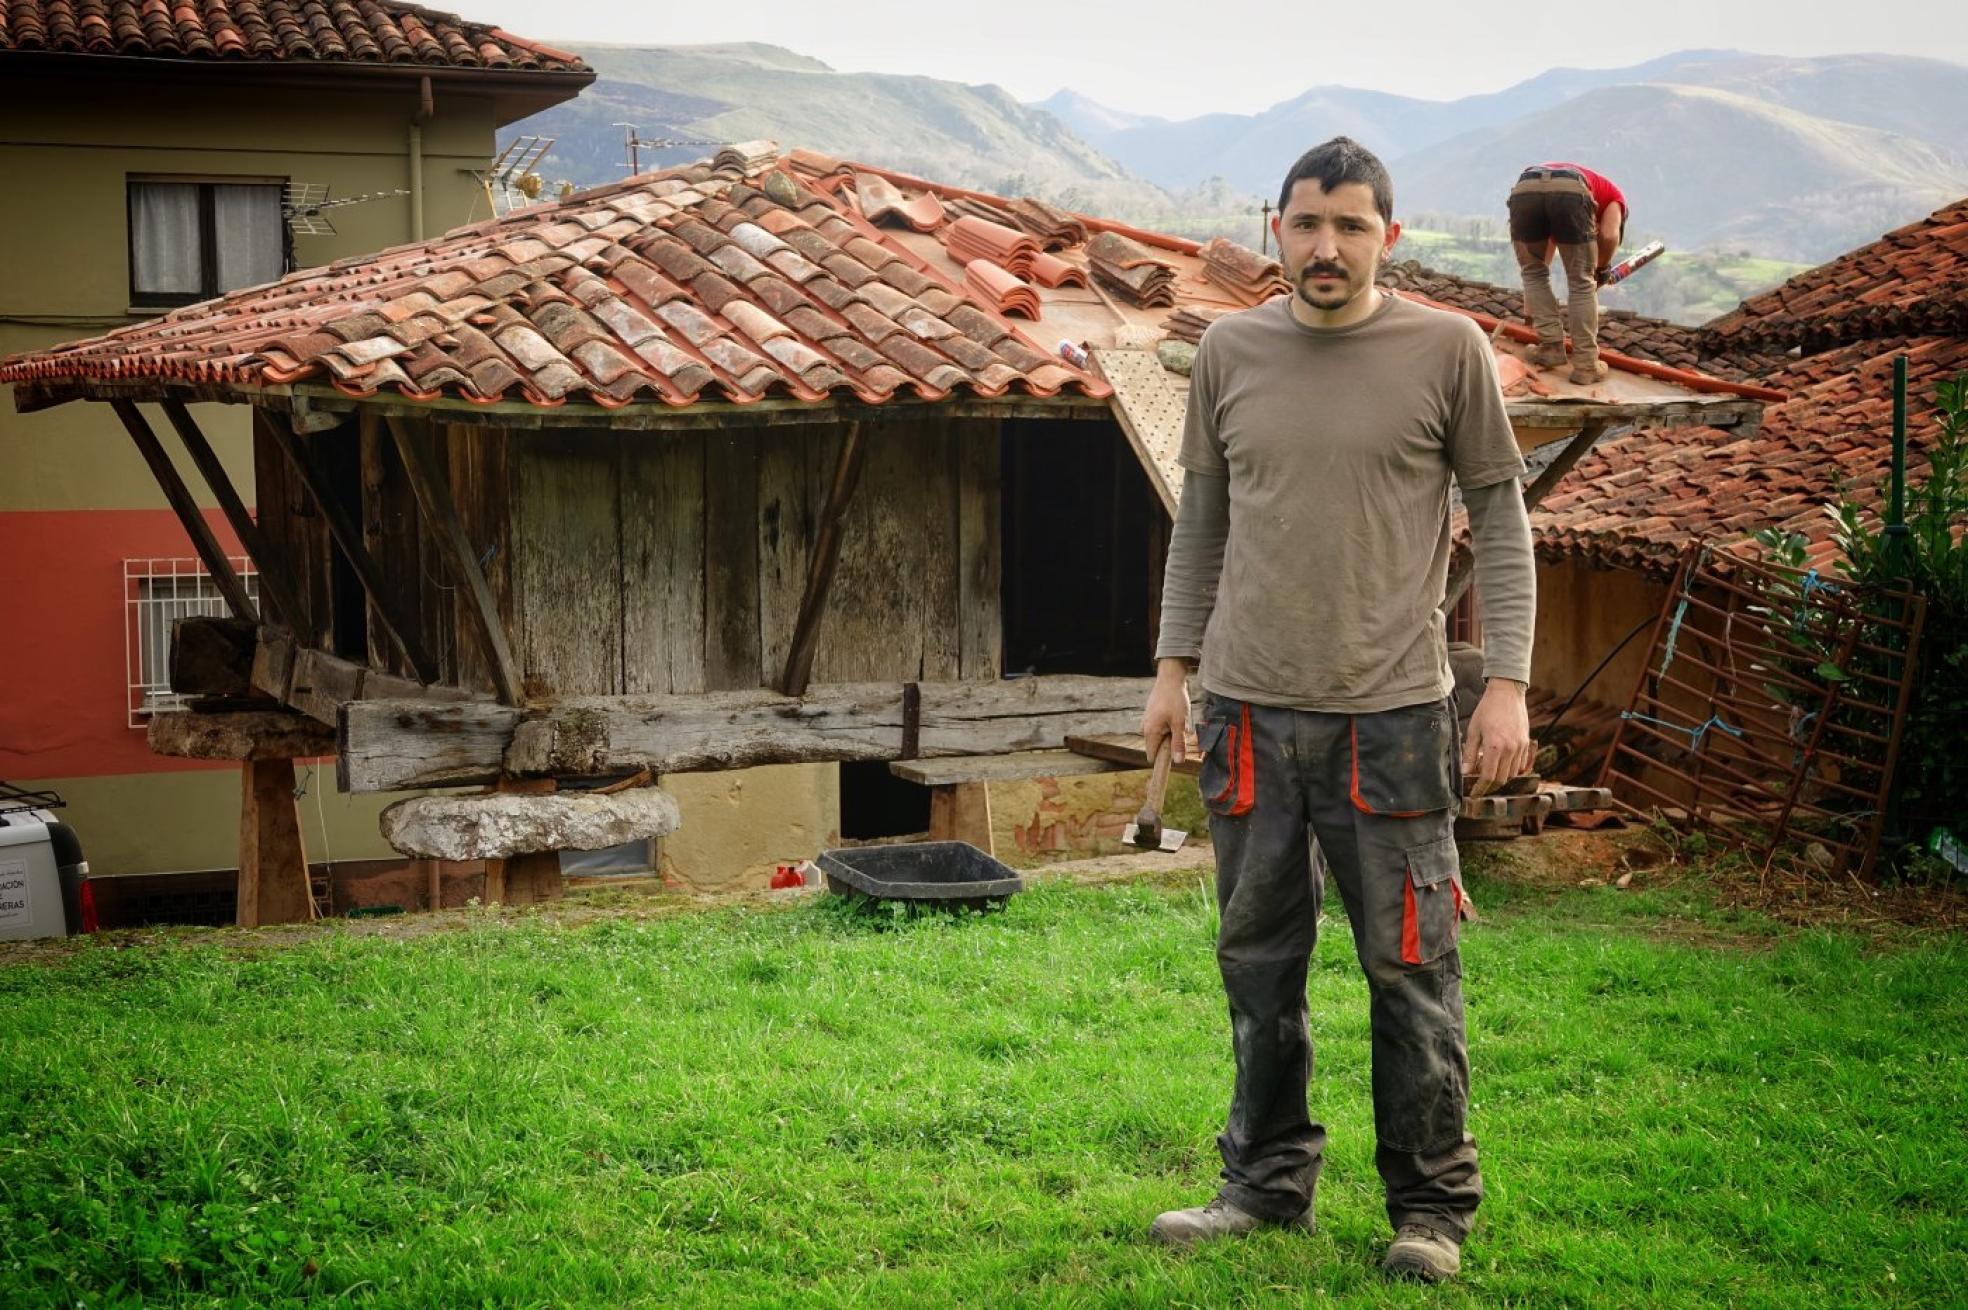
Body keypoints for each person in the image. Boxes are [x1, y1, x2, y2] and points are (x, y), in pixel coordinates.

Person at [1140, 136, 1537, 1284]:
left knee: (1412, 970)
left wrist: (1507, 682)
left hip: (1392, 719)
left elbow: (1501, 517)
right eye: (1307, 224)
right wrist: (1172, 668)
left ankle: (1431, 1208)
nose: (1327, 246)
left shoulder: (1446, 350)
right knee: (1258, 963)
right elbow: (1202, 521)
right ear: (1277, 229)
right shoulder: (1229, 350)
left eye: (1351, 225)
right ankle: (1264, 1186)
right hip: (1248, 715)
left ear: (1388, 238)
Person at [1506, 161, 1627, 385]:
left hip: (1526, 188)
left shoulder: (1556, 213)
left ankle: (1550, 349)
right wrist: (1600, 270)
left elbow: (1539, 268)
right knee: (1580, 282)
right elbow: (1610, 236)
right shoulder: (1615, 198)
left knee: (1533, 273)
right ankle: (1586, 366)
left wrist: (1532, 315)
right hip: (1570, 191)